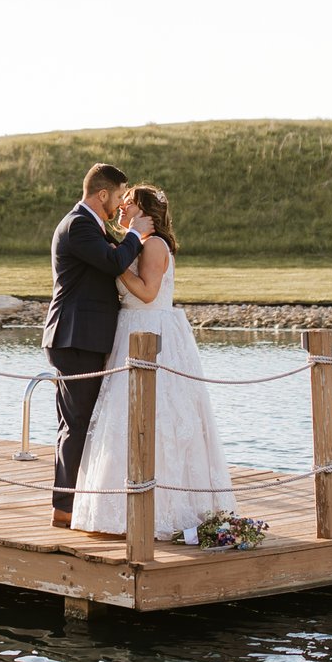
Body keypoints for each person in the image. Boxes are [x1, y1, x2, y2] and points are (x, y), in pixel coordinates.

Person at [69, 184, 235, 540]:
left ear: (146, 212)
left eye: (129, 205)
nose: (123, 210)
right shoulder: (141, 244)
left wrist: (116, 267)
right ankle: (120, 505)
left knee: (160, 417)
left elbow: (147, 292)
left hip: (150, 331)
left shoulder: (154, 244)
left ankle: (163, 509)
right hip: (131, 330)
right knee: (124, 419)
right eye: (123, 203)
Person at [41, 162, 153, 528]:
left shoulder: (91, 224)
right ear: (103, 194)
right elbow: (114, 261)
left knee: (79, 423)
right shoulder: (79, 225)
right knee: (76, 425)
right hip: (75, 337)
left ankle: (73, 501)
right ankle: (65, 507)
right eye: (119, 196)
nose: (120, 202)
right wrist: (135, 233)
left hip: (84, 336)